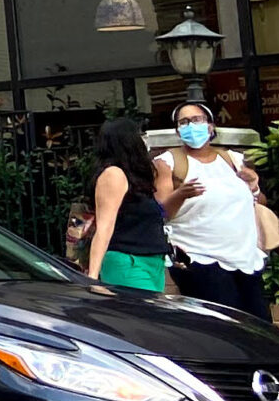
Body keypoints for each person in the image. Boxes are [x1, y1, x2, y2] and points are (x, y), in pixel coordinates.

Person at [161, 100, 272, 320]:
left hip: (244, 257)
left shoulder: (233, 159)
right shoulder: (167, 162)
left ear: (210, 126)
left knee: (260, 324)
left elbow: (260, 203)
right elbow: (161, 211)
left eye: (196, 120)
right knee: (224, 325)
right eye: (183, 122)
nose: (191, 126)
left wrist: (255, 186)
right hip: (200, 259)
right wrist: (181, 194)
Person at [83, 115, 195, 293]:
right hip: (129, 262)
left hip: (150, 261)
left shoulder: (136, 177)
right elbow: (105, 225)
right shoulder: (114, 174)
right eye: (140, 135)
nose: (144, 139)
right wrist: (93, 278)